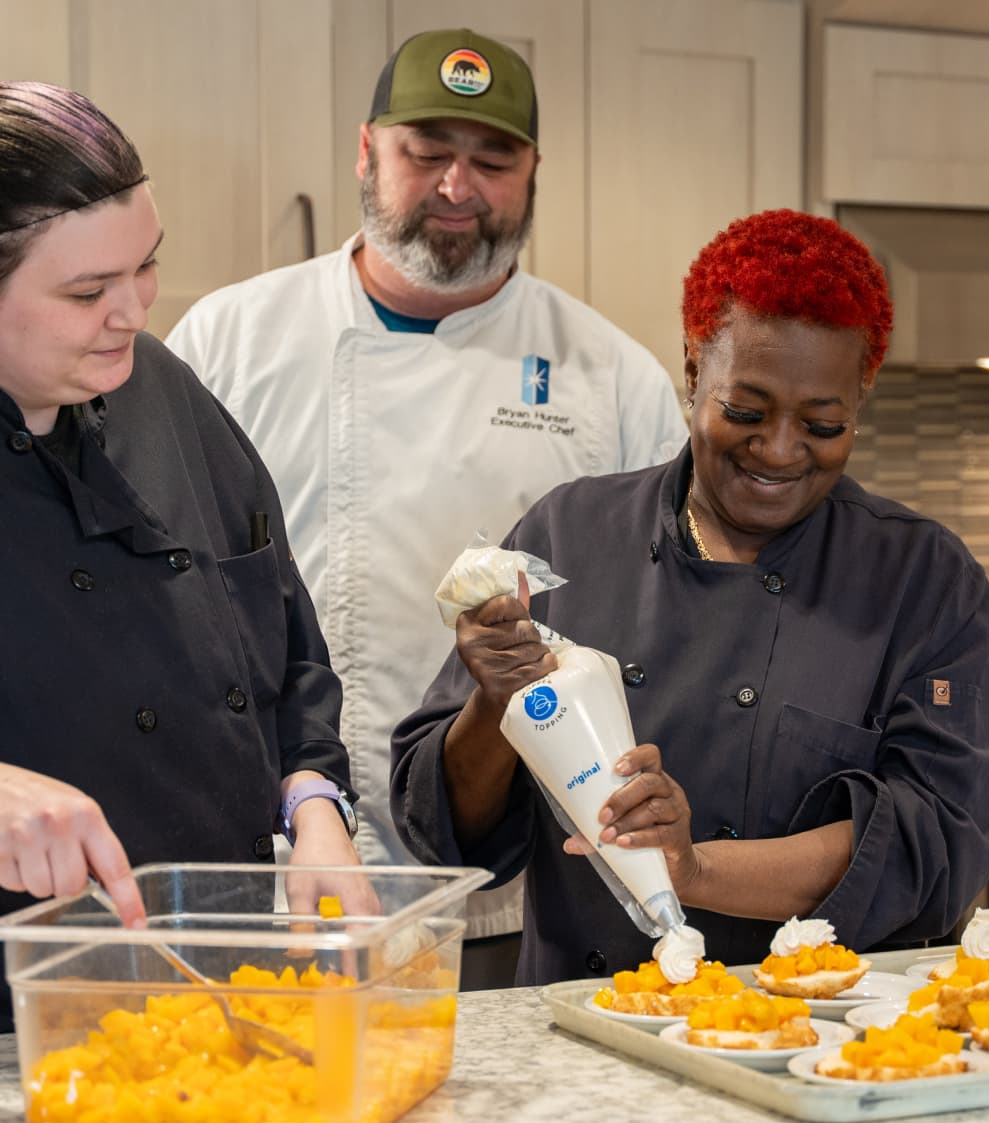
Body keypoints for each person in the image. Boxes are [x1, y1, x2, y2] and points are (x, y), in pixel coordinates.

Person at [166, 28, 685, 978]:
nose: (458, 186)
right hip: (282, 878)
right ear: (366, 153)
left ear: (533, 174)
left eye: (493, 160)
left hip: (508, 895)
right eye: (427, 154)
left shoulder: (612, 378)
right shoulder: (226, 341)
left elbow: (666, 629)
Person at [390, 208, 989, 986]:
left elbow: (941, 843)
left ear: (862, 396)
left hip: (818, 1039)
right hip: (587, 1028)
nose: (780, 451)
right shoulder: (571, 531)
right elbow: (446, 834)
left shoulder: (923, 580)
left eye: (824, 424)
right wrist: (493, 705)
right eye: (745, 412)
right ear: (692, 371)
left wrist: (695, 869)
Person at [0, 82, 364, 1038]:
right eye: (86, 292)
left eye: (145, 268)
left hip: (229, 994)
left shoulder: (160, 389)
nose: (132, 311)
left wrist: (314, 805)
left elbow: (284, 655)